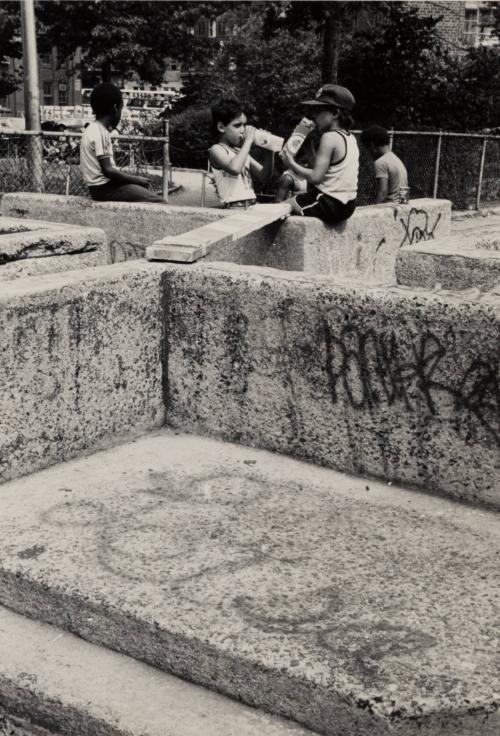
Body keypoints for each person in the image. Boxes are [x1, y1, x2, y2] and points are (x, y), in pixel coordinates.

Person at [280, 84, 359, 225]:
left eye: (319, 110)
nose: (314, 116)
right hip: (347, 205)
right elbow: (322, 171)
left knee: (281, 207)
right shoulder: (350, 137)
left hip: (328, 202)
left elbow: (316, 178)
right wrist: (309, 147)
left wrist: (291, 163)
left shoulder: (329, 137)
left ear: (335, 113)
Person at [80, 83, 164, 203]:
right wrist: (136, 179)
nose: (120, 114)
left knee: (144, 193)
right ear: (115, 108)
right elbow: (108, 170)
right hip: (106, 189)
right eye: (121, 108)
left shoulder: (91, 129)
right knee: (160, 202)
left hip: (96, 188)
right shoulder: (101, 132)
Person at [209, 98, 274, 208]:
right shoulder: (216, 149)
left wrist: (269, 150)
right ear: (221, 127)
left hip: (251, 204)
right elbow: (234, 168)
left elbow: (264, 177)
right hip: (235, 206)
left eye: (244, 125)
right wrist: (248, 140)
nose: (243, 130)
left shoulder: (240, 152)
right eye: (237, 125)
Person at [361, 124, 408, 204]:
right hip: (401, 202)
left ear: (372, 145)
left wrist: (375, 209)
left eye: (368, 148)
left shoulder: (380, 162)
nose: (369, 153)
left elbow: (383, 193)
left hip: (389, 205)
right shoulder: (395, 158)